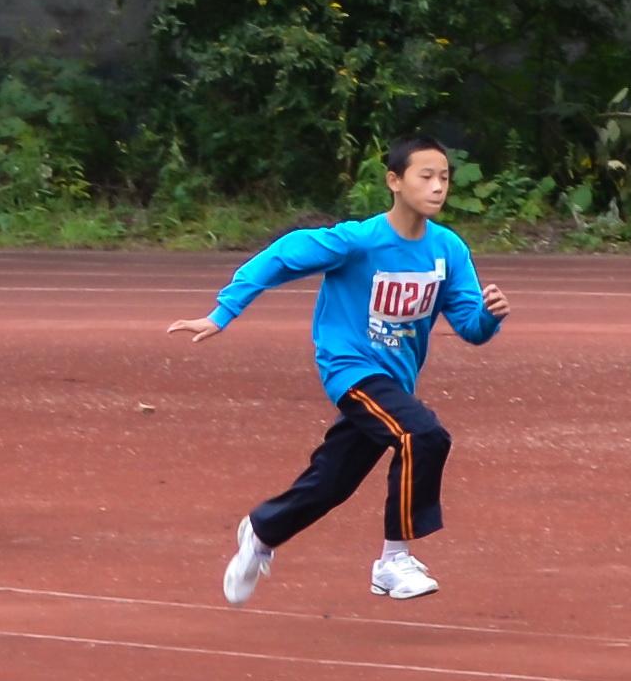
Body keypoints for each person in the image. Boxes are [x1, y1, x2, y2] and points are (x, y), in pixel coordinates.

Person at [175, 136, 509, 605]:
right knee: (423, 435)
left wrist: (491, 314)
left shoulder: (447, 249)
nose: (438, 187)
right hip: (350, 369)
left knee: (331, 483)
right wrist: (222, 312)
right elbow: (282, 255)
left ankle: (262, 531)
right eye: (425, 176)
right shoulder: (359, 241)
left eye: (444, 177)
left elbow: (471, 327)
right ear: (394, 181)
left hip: (395, 382)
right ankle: (393, 560)